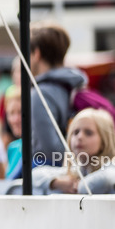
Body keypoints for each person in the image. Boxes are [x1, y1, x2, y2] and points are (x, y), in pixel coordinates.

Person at [29, 24, 86, 166]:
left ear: (37, 53)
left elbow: (47, 150)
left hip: (53, 180)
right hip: (81, 171)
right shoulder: (76, 84)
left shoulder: (40, 94)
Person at [32, 108, 115, 194]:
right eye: (75, 132)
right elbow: (33, 175)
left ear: (104, 141)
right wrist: (55, 182)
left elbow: (108, 178)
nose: (80, 137)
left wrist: (78, 186)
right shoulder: (76, 171)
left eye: (88, 133)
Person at [4, 85, 23, 178]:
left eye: (20, 112)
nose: (15, 119)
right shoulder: (12, 148)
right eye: (11, 113)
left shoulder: (38, 148)